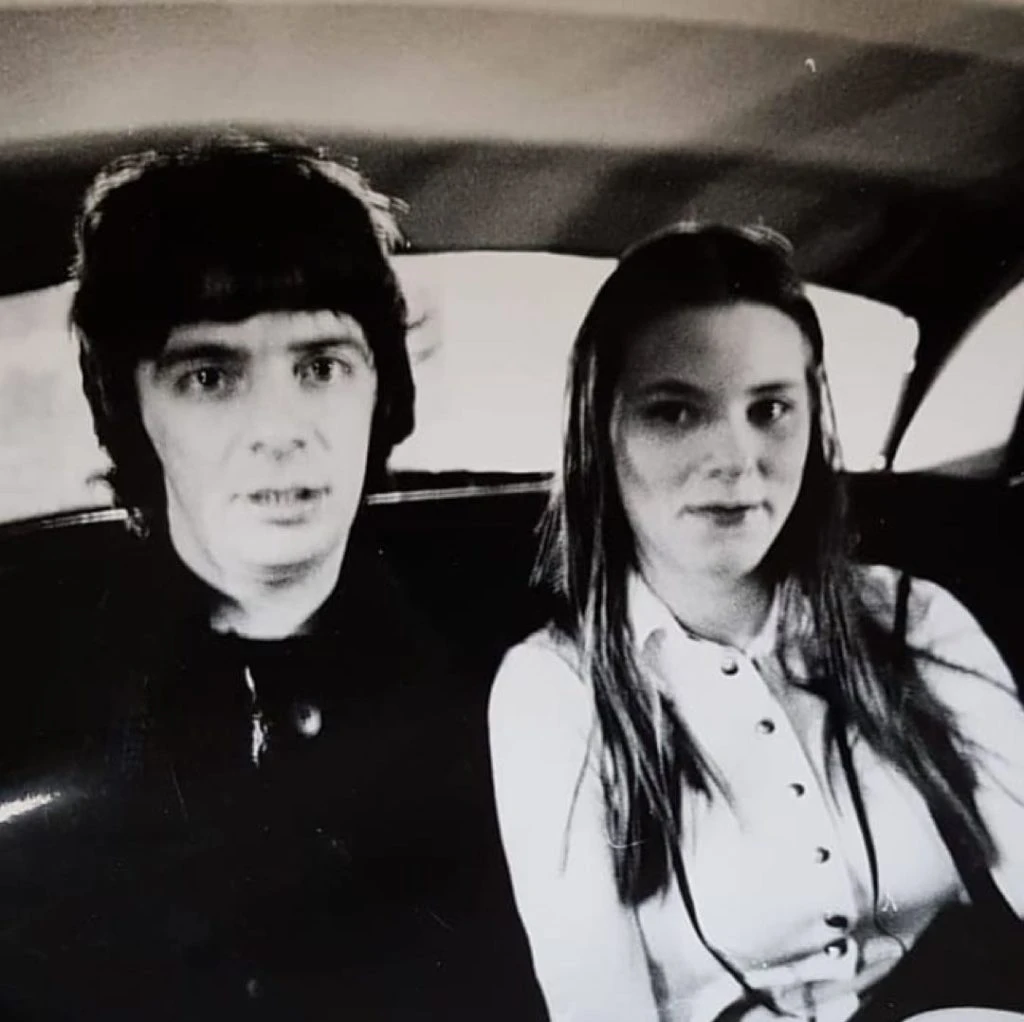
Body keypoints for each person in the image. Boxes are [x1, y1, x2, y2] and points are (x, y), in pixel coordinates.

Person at [0, 138, 542, 1021]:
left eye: (320, 367)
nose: (279, 430)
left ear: (382, 390)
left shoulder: (516, 658)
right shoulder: (34, 697)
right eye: (211, 376)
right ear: (130, 407)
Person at [488, 224, 1024, 1022]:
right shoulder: (553, 691)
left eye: (770, 408)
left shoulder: (911, 619)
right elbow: (599, 1003)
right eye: (675, 413)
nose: (737, 459)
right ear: (603, 430)